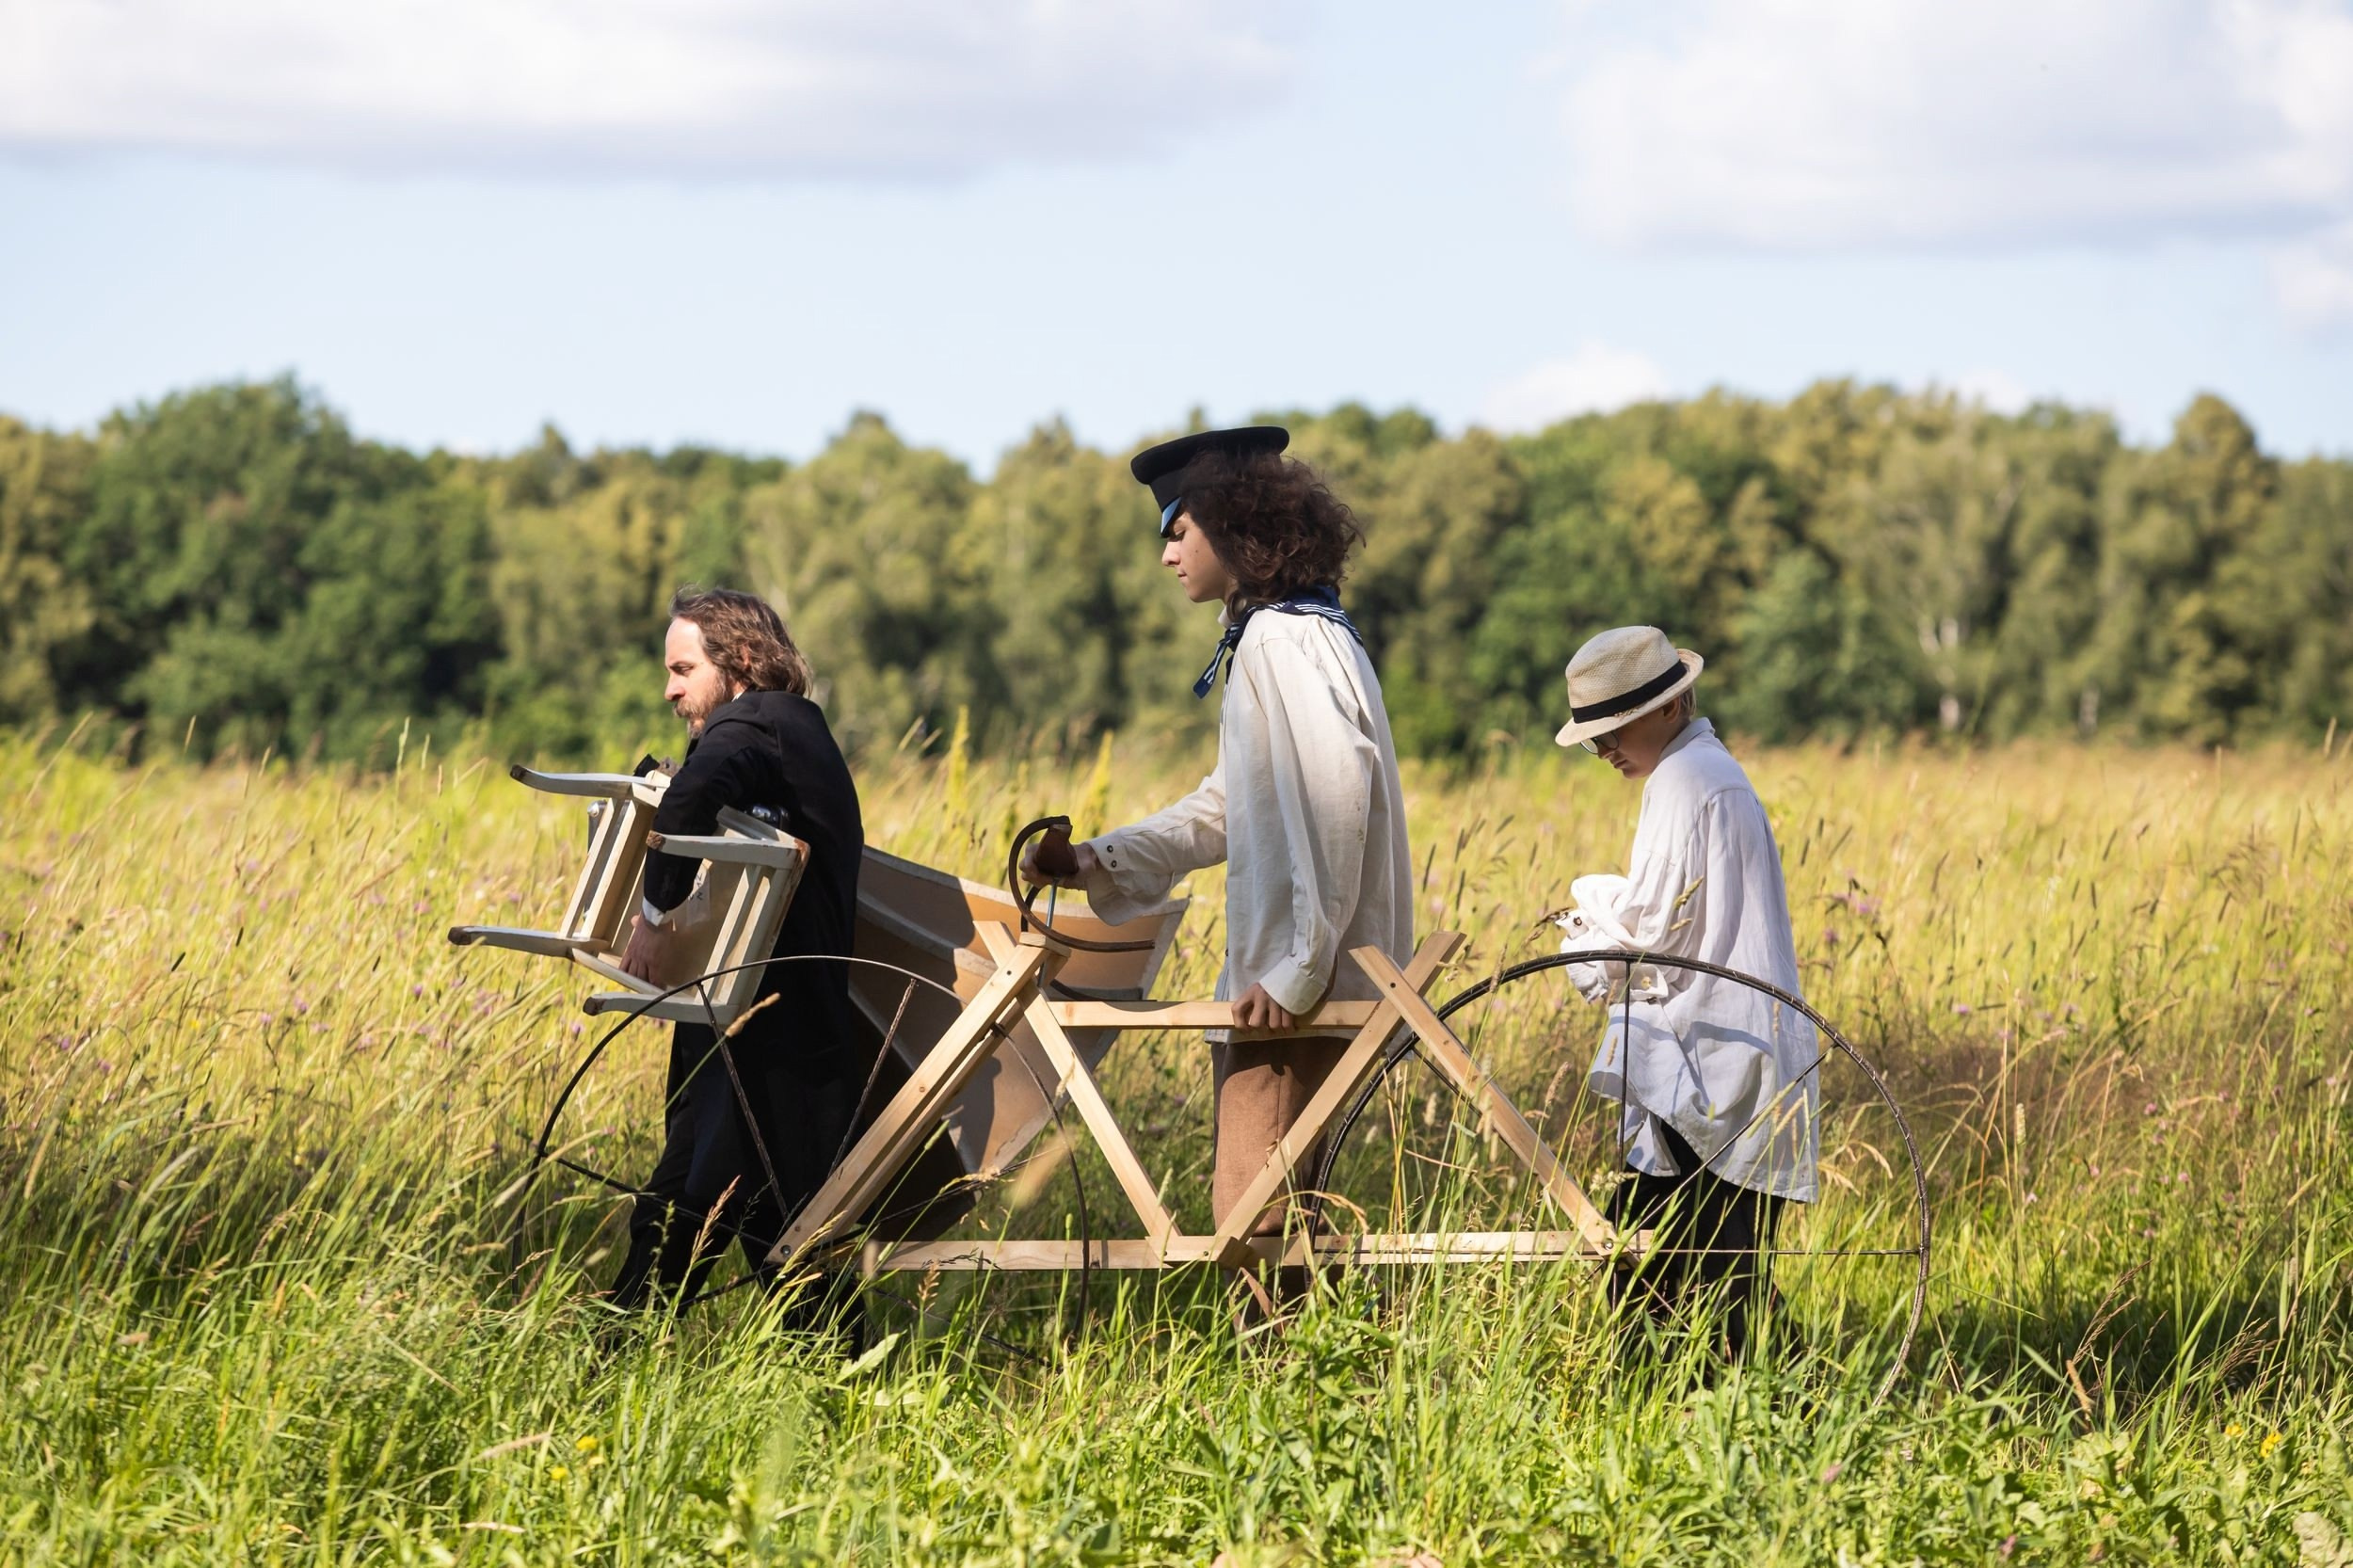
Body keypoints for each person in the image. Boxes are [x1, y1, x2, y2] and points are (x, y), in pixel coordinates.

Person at [1022, 425, 1413, 1244]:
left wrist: (1298, 969)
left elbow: (1337, 787)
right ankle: (1305, 1368)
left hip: (1292, 1002)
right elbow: (1234, 806)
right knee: (1285, 1223)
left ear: (1232, 525)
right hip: (1291, 989)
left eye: (1178, 530)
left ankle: (1277, 1373)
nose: (1167, 555)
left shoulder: (1284, 638)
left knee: (1253, 1224)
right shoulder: (1292, 630)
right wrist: (1097, 858)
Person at [1547, 624, 1818, 1359]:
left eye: (1612, 728)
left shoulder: (1685, 780)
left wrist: (1582, 930)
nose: (1603, 749)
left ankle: (1780, 1405)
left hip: (1710, 1065)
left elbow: (1648, 931)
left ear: (1667, 707)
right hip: (1725, 1055)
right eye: (1594, 734)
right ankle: (1744, 1406)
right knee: (1692, 1269)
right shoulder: (1708, 772)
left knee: (1678, 1276)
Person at [604, 587, 867, 1314]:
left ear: (742, 660)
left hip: (774, 1042)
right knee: (726, 1224)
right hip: (745, 1030)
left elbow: (688, 800)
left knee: (755, 1235)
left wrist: (653, 916)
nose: (669, 689)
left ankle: (616, 1363)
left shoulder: (760, 722)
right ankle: (617, 1361)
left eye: (684, 669)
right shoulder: (776, 731)